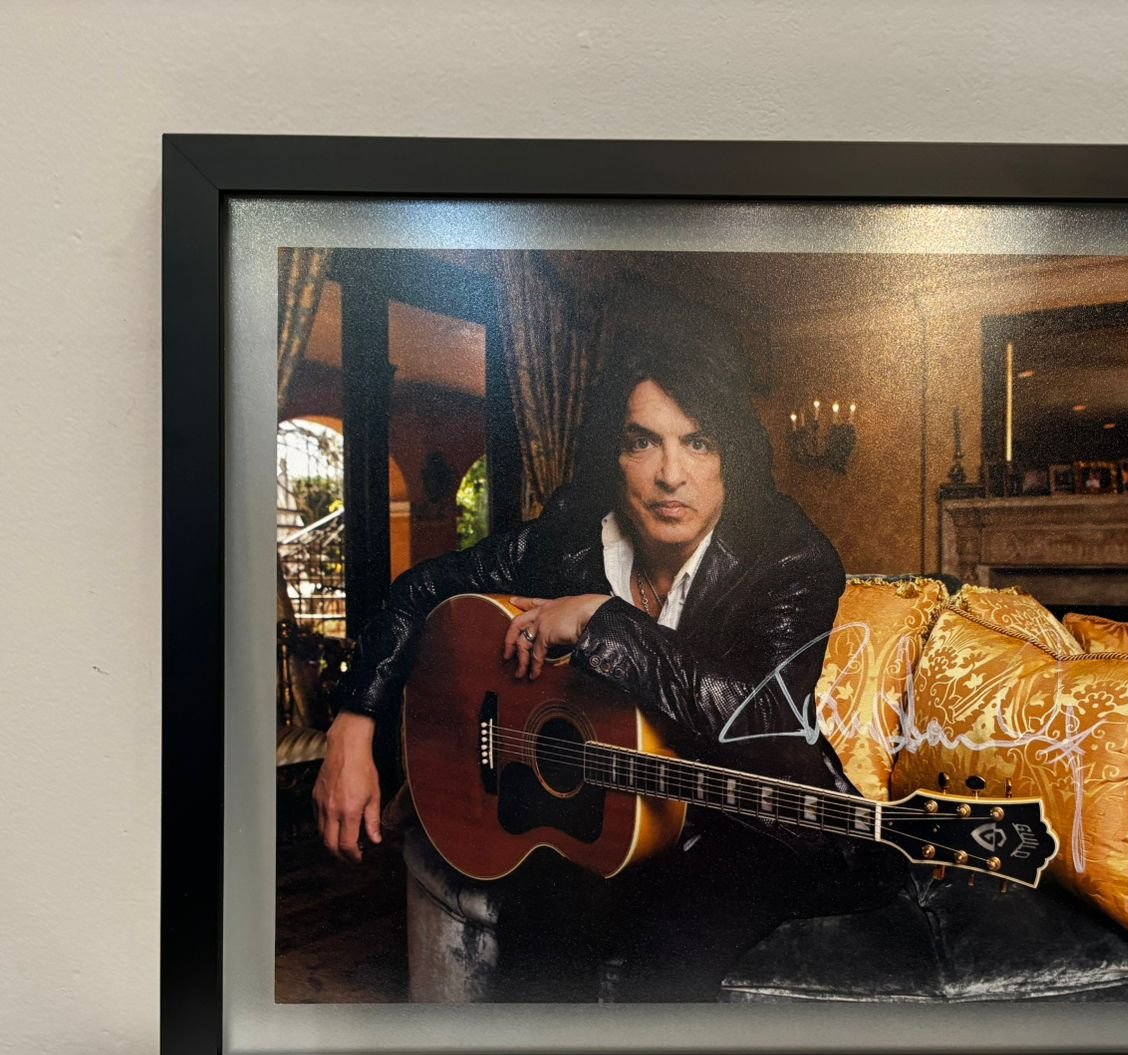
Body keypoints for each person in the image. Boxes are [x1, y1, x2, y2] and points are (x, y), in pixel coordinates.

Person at [313, 281, 902, 999]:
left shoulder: (790, 556)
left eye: (698, 442)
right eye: (642, 442)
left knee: (672, 951)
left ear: (733, 454)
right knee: (539, 930)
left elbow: (760, 717)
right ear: (614, 452)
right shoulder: (570, 535)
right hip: (609, 809)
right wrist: (354, 722)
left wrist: (602, 622)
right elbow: (421, 590)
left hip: (754, 820)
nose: (670, 475)